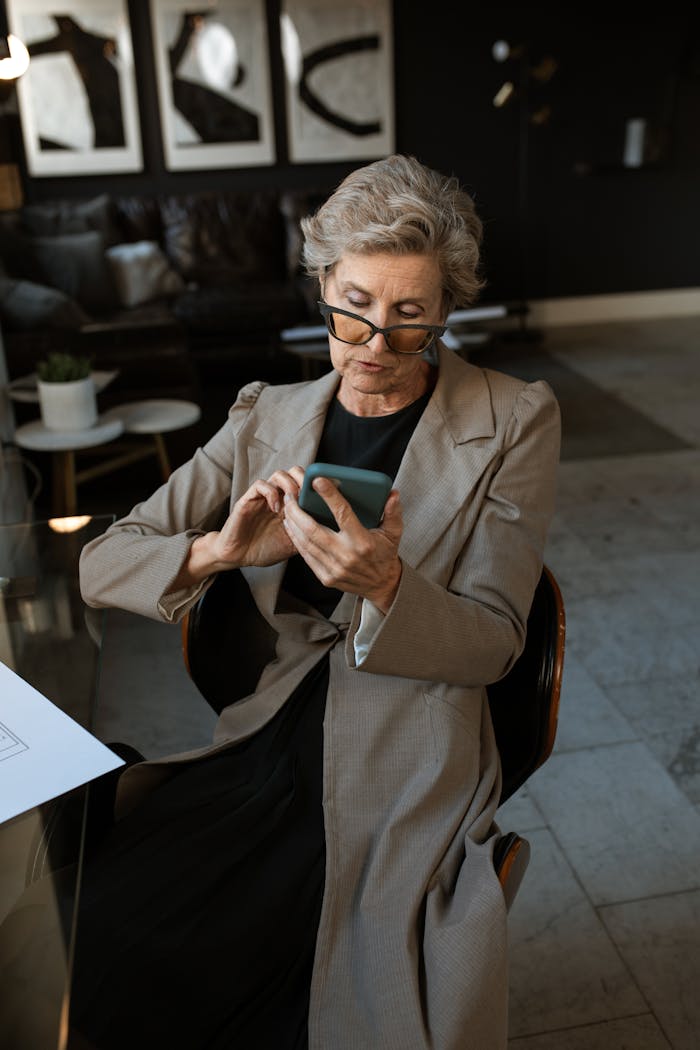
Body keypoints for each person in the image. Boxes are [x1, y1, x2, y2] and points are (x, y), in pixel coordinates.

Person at [2, 154, 561, 1050]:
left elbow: (497, 641)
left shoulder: (515, 418)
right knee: (97, 936)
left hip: (408, 751)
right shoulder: (265, 415)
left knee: (297, 979)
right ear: (323, 288)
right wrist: (217, 550)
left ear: (447, 310)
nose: (375, 343)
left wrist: (385, 586)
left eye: (409, 316)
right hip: (267, 738)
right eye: (354, 306)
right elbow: (104, 562)